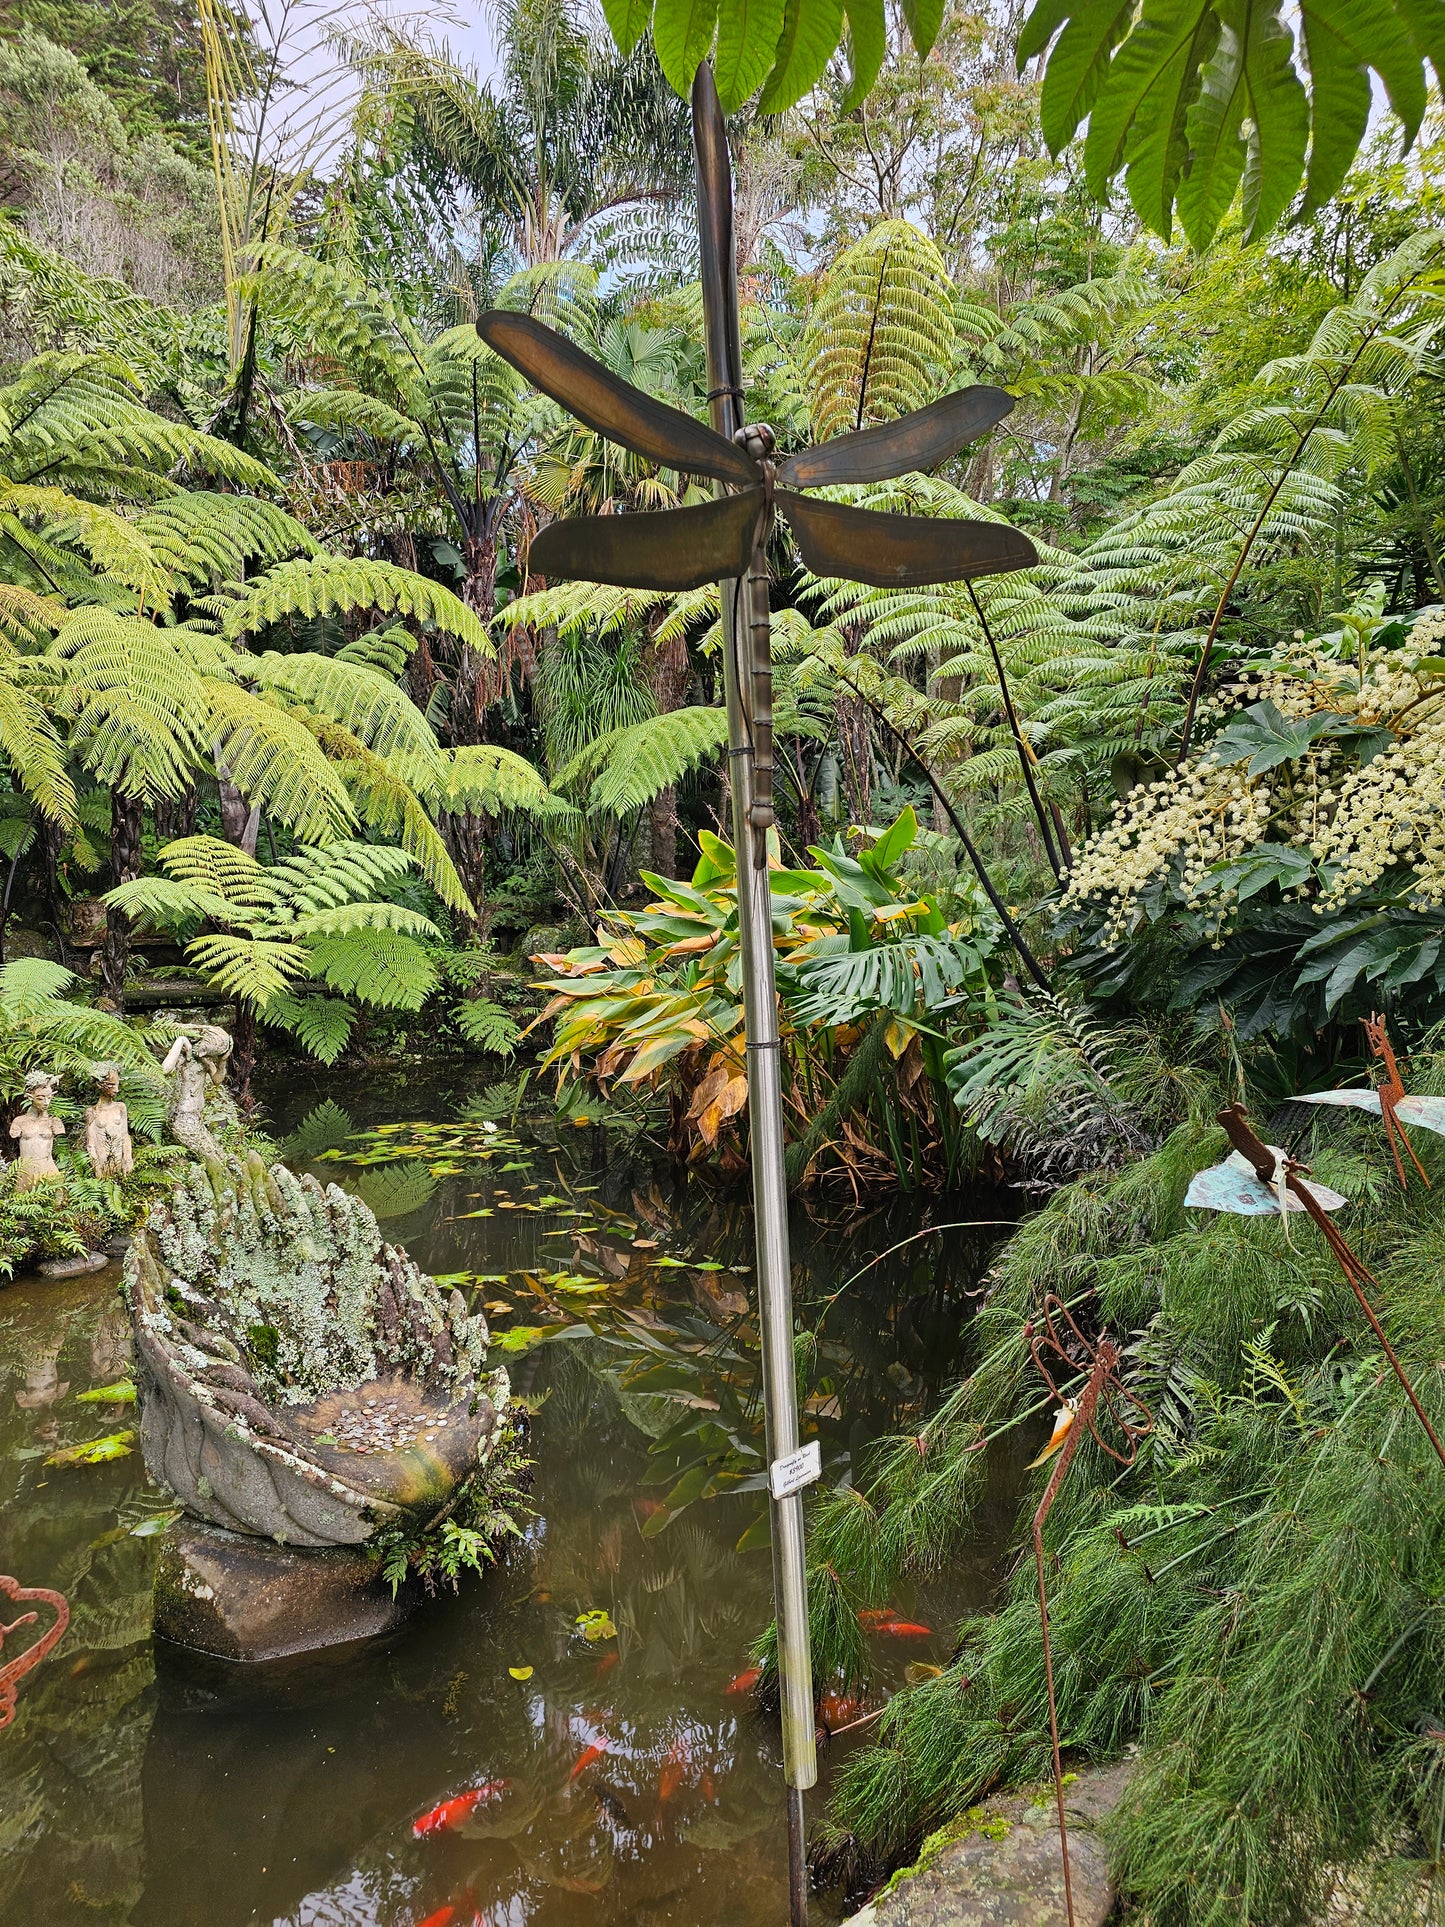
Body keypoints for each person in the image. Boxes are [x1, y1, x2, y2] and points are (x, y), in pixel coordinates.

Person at [10, 1071, 64, 1191]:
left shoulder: (53, 1122)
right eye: (40, 1098)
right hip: (25, 1173)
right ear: (30, 1097)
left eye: (49, 1098)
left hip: (49, 1172)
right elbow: (13, 1134)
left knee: (57, 1206)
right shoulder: (19, 1121)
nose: (46, 1103)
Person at [84, 1063, 134, 1180]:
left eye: (117, 1085)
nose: (116, 1090)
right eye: (111, 1085)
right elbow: (90, 1144)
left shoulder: (120, 1107)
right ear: (99, 1085)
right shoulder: (92, 1112)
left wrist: (127, 1157)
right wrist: (96, 1169)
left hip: (119, 1162)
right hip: (103, 1162)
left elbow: (124, 1135)